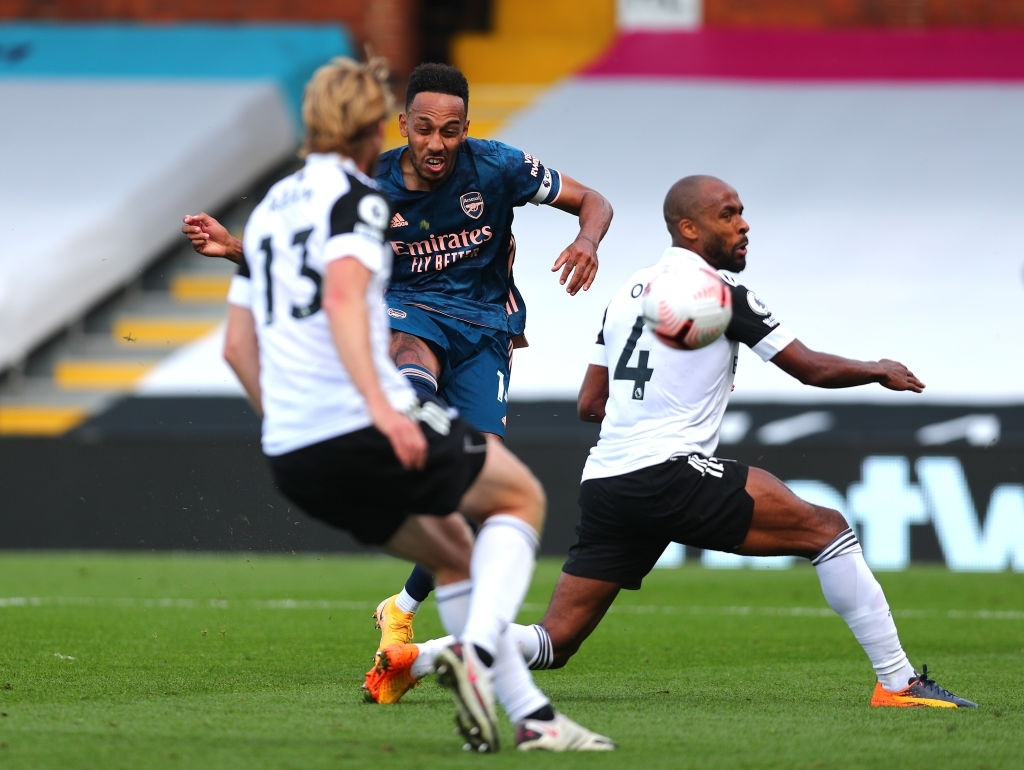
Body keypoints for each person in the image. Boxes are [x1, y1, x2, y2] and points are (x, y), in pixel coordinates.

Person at [363, 174, 977, 711]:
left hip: (608, 480)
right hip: (667, 472)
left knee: (555, 642)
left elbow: (589, 404)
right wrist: (878, 368)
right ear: (689, 228)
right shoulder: (718, 296)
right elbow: (809, 368)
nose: (743, 227)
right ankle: (897, 682)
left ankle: (412, 661)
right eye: (728, 215)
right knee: (829, 530)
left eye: (741, 212)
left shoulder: (627, 293)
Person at [222, 54, 616, 752]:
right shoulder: (365, 195)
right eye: (421, 130)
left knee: (461, 533)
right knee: (514, 496)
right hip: (404, 336)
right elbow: (345, 298)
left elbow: (237, 345)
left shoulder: (273, 209)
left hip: (461, 347)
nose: (435, 145)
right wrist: (381, 407)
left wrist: (586, 239)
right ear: (388, 126)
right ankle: (478, 658)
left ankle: (515, 707)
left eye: (451, 131)